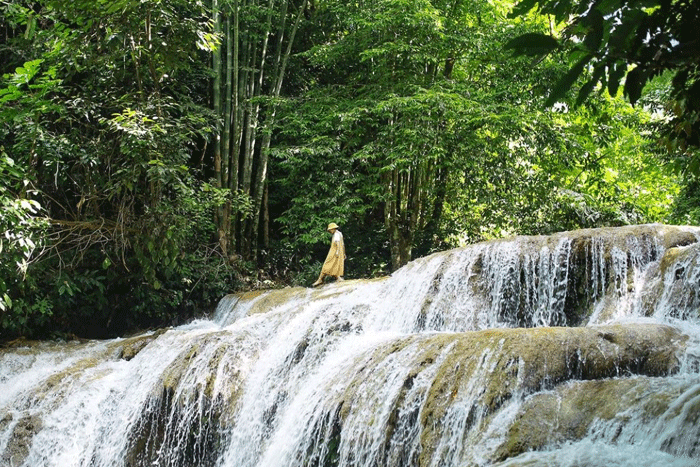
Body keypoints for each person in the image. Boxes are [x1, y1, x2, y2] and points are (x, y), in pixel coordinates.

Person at [312, 222, 346, 286]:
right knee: (336, 264)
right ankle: (338, 277)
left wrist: (337, 252)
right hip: (339, 251)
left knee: (327, 264)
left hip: (335, 251)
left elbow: (338, 243)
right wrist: (343, 252)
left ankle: (320, 279)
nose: (330, 231)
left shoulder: (336, 235)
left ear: (333, 229)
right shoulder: (340, 233)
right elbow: (343, 244)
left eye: (330, 230)